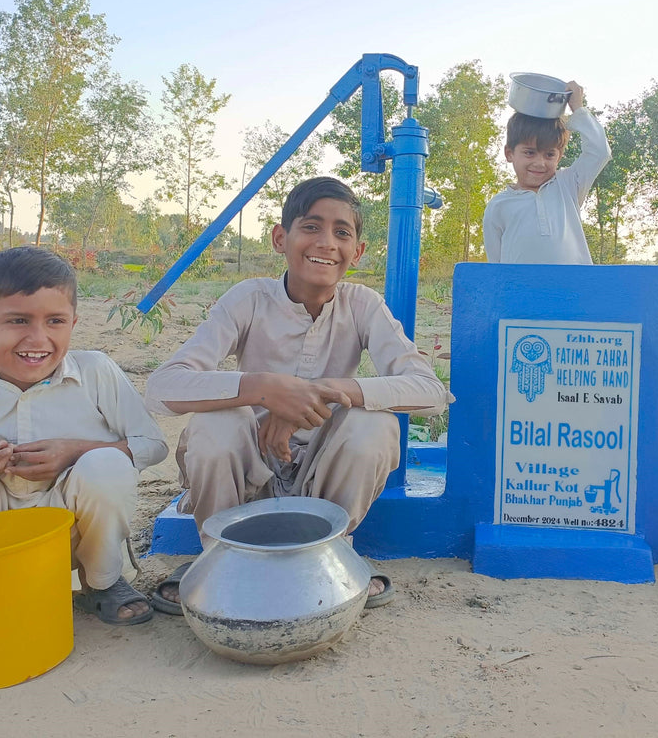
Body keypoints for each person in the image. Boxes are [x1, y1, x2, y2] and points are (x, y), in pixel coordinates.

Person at [145, 176, 451, 614]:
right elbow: (163, 388)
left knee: (375, 424)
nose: (326, 242)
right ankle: (219, 558)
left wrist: (318, 393)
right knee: (215, 423)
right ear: (280, 237)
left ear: (357, 252)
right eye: (311, 227)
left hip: (320, 477)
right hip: (246, 473)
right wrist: (263, 389)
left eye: (342, 232)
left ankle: (328, 553)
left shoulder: (362, 305)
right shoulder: (248, 300)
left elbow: (429, 391)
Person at [0, 247, 168, 648]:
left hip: (73, 532)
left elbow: (153, 445)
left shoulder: (96, 373)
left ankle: (102, 584)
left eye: (55, 321)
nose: (38, 339)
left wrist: (75, 450)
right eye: (17, 320)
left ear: (73, 322)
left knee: (107, 463)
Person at [483, 80, 611, 264]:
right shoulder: (498, 207)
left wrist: (578, 108)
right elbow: (495, 267)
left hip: (573, 291)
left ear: (559, 157)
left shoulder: (568, 185)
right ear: (509, 153)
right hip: (524, 293)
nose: (540, 163)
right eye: (529, 153)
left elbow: (600, 151)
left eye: (549, 154)